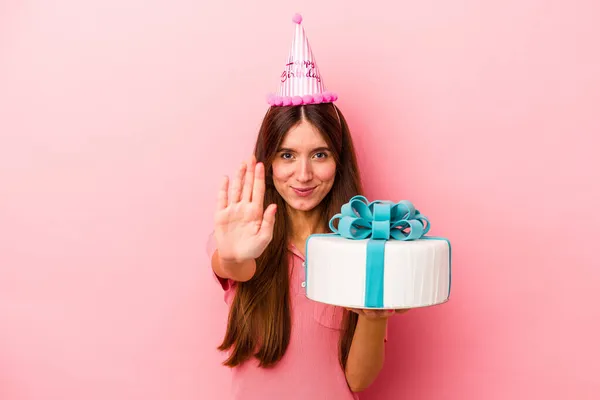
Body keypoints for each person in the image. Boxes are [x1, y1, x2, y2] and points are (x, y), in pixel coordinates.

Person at [206, 14, 409, 399]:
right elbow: (233, 265)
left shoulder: (365, 249)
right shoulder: (243, 239)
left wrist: (374, 314)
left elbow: (358, 381)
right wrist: (232, 257)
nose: (303, 174)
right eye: (287, 155)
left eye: (319, 154)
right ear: (268, 161)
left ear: (339, 159)